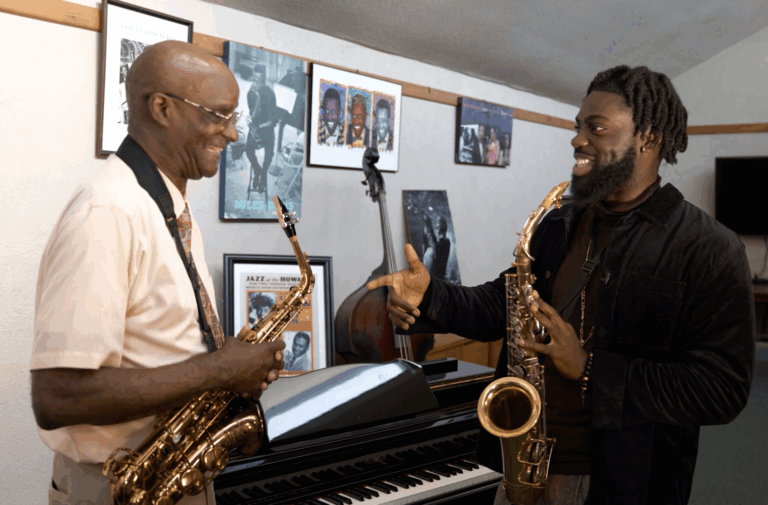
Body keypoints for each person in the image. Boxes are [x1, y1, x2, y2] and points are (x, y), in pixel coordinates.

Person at [368, 65, 755, 505]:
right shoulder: (559, 223)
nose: (577, 139)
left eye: (597, 127)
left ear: (648, 137)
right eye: (578, 127)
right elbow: (502, 304)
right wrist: (432, 296)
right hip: (524, 465)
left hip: (625, 483)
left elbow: (722, 390)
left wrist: (591, 367)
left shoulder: (709, 247)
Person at [30, 40, 285, 505]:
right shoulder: (106, 212)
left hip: (171, 473)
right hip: (118, 486)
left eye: (235, 117)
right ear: (162, 108)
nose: (232, 135)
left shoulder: (165, 203)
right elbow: (57, 397)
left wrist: (232, 370)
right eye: (218, 115)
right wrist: (220, 369)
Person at [245, 63, 277, 193]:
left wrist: (261, 126)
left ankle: (263, 175)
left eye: (258, 79)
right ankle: (257, 170)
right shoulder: (250, 93)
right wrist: (251, 121)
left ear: (263, 78)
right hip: (256, 127)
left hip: (267, 128)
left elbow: (274, 120)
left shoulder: (269, 93)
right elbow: (252, 113)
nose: (254, 82)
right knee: (248, 148)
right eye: (254, 79)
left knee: (269, 153)